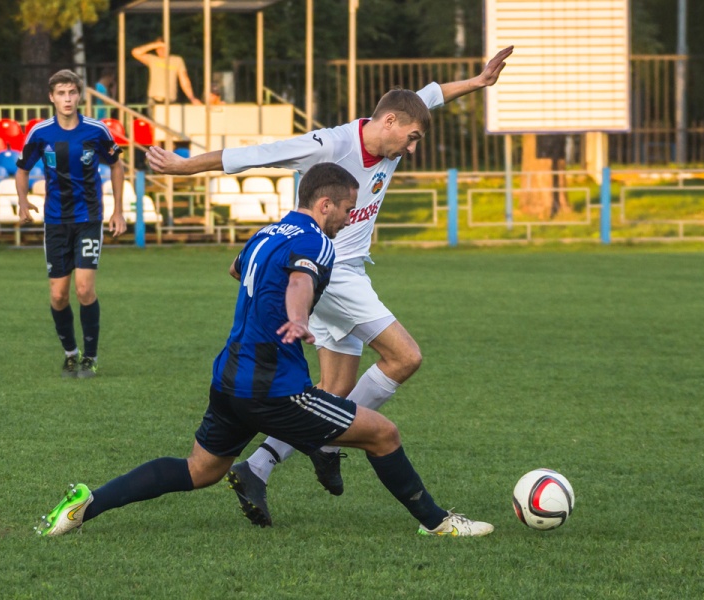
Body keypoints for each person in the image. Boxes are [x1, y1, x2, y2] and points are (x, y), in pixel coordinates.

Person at [145, 46, 514, 525]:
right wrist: (182, 167)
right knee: (405, 357)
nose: (412, 149)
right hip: (328, 268)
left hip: (347, 269)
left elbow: (431, 95)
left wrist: (478, 82)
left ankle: (258, 467)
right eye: (412, 138)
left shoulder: (397, 122)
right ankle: (328, 441)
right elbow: (256, 155)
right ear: (390, 122)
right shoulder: (331, 145)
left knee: (335, 388)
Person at [33, 162, 493, 538]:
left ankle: (87, 504)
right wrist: (297, 315)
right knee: (383, 434)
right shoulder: (318, 242)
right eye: (347, 209)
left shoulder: (268, 232)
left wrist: (283, 300)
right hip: (274, 389)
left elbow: (237, 269)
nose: (350, 218)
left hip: (229, 376)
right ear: (325, 204)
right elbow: (300, 280)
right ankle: (438, 523)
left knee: (200, 470)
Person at [15, 69, 127, 378]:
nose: (67, 99)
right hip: (55, 221)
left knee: (84, 289)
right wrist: (22, 200)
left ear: (79, 96)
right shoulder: (40, 132)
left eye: (72, 93)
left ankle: (90, 357)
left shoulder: (96, 130)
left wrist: (118, 211)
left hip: (88, 218)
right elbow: (22, 168)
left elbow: (116, 166)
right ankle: (70, 353)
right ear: (51, 97)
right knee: (58, 295)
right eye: (61, 93)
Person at [132, 39, 202, 107]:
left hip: (171, 100)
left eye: (164, 48)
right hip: (154, 100)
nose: (161, 50)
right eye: (159, 49)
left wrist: (192, 98)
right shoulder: (152, 59)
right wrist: (155, 45)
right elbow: (135, 52)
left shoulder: (177, 60)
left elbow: (184, 80)